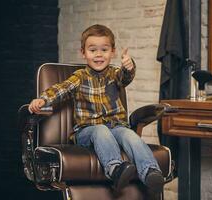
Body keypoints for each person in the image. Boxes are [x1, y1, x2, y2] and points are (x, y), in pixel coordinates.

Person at [28, 24, 164, 193]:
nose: (99, 55)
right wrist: (42, 99)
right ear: (83, 53)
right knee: (100, 130)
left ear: (112, 52)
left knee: (129, 134)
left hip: (116, 127)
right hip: (87, 132)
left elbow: (125, 77)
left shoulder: (114, 74)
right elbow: (60, 89)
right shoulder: (80, 77)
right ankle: (116, 170)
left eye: (104, 50)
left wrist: (129, 67)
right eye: (93, 50)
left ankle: (151, 172)